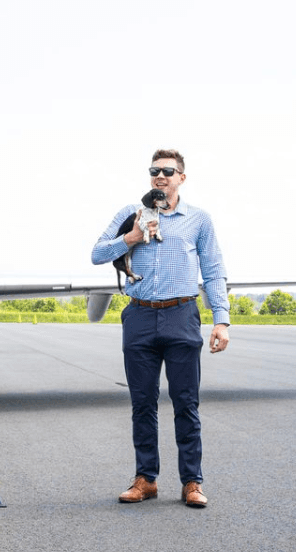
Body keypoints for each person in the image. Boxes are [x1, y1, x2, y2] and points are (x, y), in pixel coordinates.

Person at [90, 149, 230, 509]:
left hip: (182, 314)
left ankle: (192, 482)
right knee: (142, 404)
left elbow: (213, 271)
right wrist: (132, 238)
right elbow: (97, 253)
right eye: (155, 171)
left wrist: (222, 320)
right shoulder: (130, 214)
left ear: (182, 177)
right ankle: (145, 479)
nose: (160, 176)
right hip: (139, 316)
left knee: (186, 403)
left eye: (169, 171)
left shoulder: (198, 220)